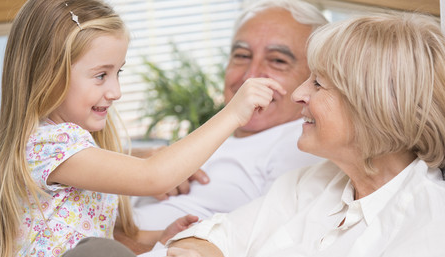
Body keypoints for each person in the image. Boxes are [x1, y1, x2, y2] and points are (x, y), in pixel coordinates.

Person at [0, 0, 284, 257]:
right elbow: (153, 177)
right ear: (50, 74)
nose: (115, 90)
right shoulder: (49, 143)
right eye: (101, 75)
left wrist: (157, 238)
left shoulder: (68, 144)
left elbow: (87, 232)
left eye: (118, 72)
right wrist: (232, 114)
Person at [154, 12, 445, 257]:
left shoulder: (431, 222)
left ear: (376, 106)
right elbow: (191, 242)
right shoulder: (310, 183)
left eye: (318, 83)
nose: (298, 94)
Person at [131, 0, 327, 232]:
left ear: (313, 77)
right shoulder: (219, 133)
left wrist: (128, 240)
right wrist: (150, 167)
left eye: (278, 61)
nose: (250, 76)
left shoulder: (299, 144)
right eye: (242, 55)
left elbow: (261, 245)